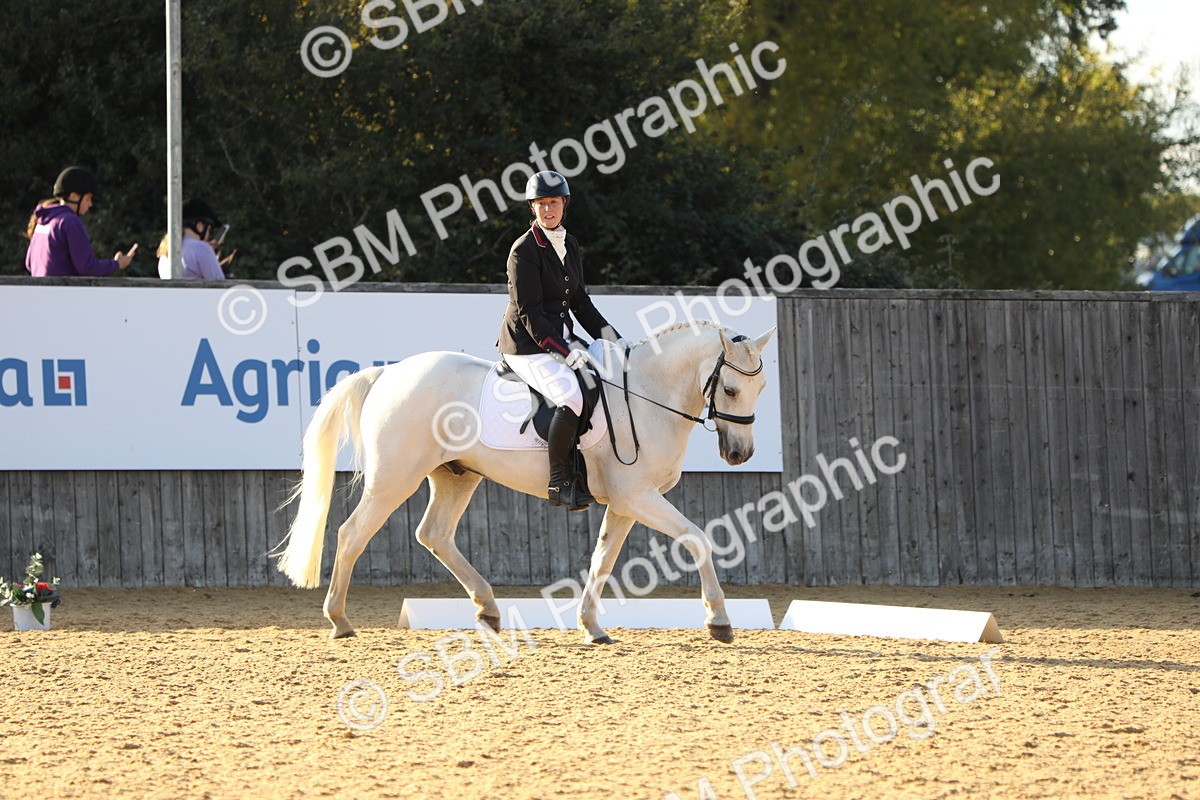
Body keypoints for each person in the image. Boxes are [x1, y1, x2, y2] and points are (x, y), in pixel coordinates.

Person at [496, 171, 632, 510]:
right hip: (527, 345)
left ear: (563, 205)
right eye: (541, 204)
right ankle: (559, 481)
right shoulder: (523, 251)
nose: (547, 209)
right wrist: (566, 352)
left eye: (553, 202)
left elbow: (580, 302)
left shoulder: (569, 243)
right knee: (571, 396)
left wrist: (613, 339)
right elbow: (530, 315)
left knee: (601, 379)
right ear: (533, 208)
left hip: (560, 337)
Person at [24, 167, 138, 277]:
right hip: (63, 294)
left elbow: (29, 263)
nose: (90, 204)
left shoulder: (42, 222)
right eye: (88, 199)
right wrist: (117, 264)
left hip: (39, 292)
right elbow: (86, 267)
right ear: (74, 196)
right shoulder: (70, 221)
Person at [156, 198, 227, 280]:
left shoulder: (165, 250)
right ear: (199, 226)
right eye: (208, 229)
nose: (208, 234)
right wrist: (208, 252)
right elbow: (219, 283)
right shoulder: (201, 248)